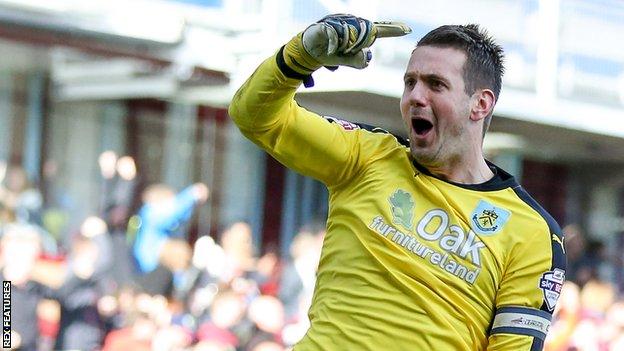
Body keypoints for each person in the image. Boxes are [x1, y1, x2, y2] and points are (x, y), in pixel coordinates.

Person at [228, 13, 566, 350]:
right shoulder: (366, 156)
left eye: (435, 84)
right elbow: (254, 117)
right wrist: (299, 57)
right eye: (410, 83)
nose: (415, 97)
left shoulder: (532, 232)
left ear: (480, 104)